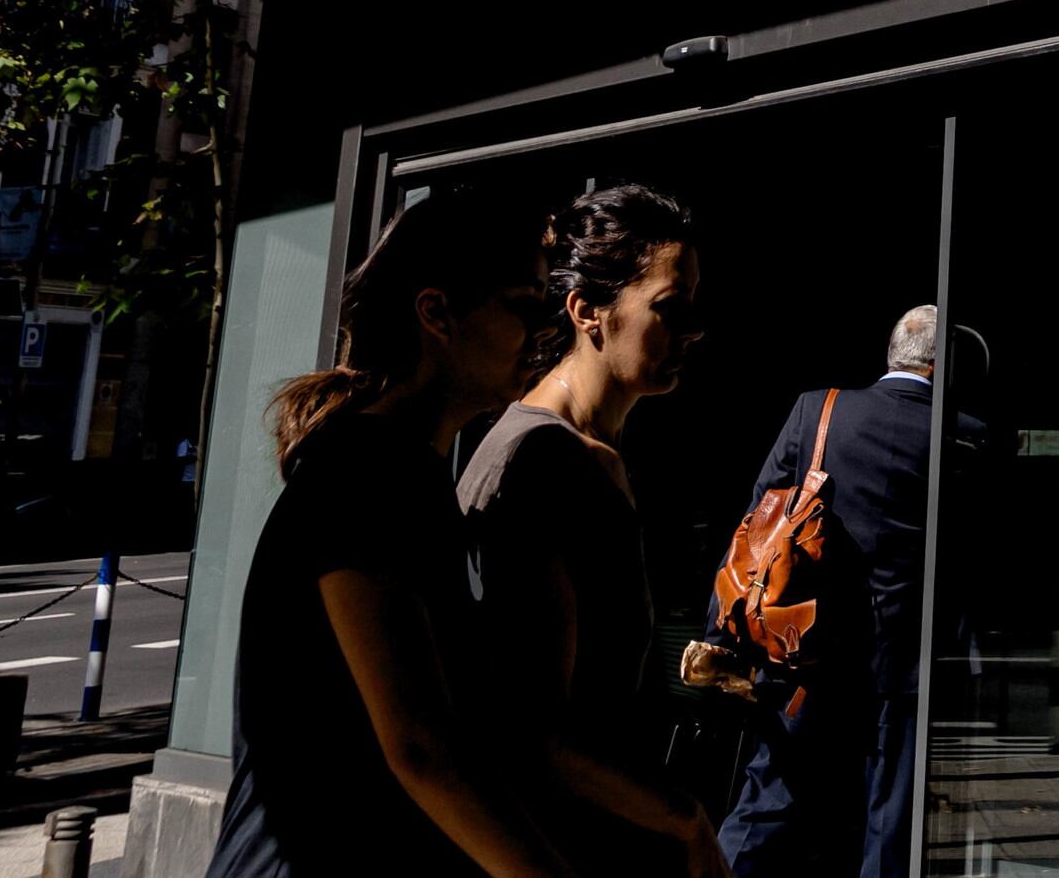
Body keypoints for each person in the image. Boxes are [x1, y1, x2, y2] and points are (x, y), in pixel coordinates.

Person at [204, 189, 582, 878]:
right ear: (436, 313)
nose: (545, 330)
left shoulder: (405, 471)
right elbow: (419, 745)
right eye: (525, 305)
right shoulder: (367, 473)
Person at [458, 183, 729, 878]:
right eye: (669, 307)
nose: (693, 331)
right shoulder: (545, 461)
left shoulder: (587, 453)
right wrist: (686, 822)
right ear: (587, 312)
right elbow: (535, 733)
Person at [716, 306, 955, 878]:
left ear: (894, 355)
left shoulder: (817, 410)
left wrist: (724, 634)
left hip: (808, 645)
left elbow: (757, 527)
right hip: (903, 662)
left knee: (769, 798)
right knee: (889, 823)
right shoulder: (960, 434)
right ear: (941, 366)